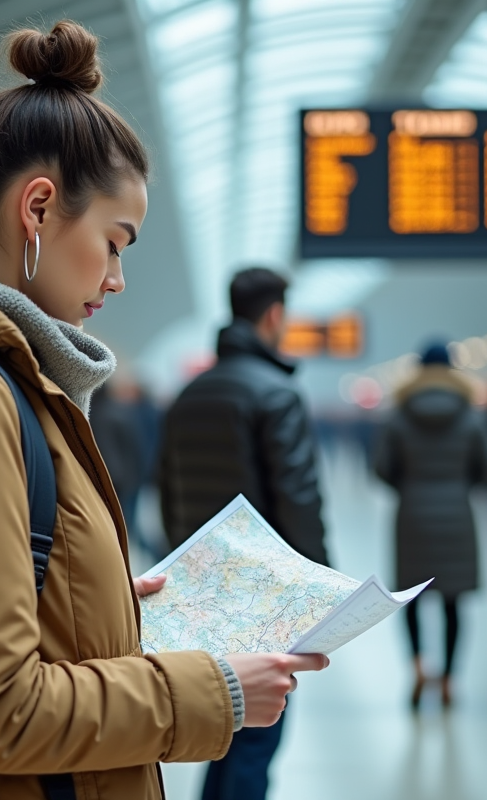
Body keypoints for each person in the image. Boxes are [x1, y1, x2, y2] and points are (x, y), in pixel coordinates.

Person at [0, 22, 324, 800]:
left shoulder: (3, 384)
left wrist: (110, 609)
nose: (117, 278)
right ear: (39, 208)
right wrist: (215, 692)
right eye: (115, 242)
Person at [159, 266, 329, 800]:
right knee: (258, 736)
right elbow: (299, 500)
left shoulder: (188, 395)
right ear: (274, 315)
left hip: (202, 588)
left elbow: (166, 491)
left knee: (224, 722)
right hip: (266, 595)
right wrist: (323, 595)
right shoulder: (277, 393)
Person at [374, 342, 487, 709]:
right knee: (453, 602)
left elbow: (381, 468)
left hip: (411, 516)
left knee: (411, 598)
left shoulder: (399, 415)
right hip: (457, 515)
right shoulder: (471, 415)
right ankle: (448, 679)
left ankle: (418, 667)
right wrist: (460, 486)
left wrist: (408, 487)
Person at [89, 382, 148, 556]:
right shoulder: (121, 411)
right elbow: (138, 446)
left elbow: (108, 452)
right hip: (131, 478)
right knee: (129, 524)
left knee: (123, 527)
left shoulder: (100, 415)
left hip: (116, 481)